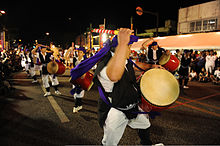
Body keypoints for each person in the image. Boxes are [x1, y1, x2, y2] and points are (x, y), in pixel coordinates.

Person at [94, 28, 164, 145]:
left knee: (145, 124)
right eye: (129, 46)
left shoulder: (125, 61)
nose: (130, 50)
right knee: (109, 142)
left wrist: (151, 67)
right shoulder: (105, 65)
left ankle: (146, 144)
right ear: (118, 49)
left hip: (131, 105)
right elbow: (114, 76)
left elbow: (136, 64)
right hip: (116, 110)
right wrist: (122, 44)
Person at [71, 47, 87, 113]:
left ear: (83, 54)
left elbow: (87, 68)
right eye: (78, 52)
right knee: (75, 93)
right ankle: (79, 105)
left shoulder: (85, 60)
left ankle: (76, 106)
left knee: (79, 92)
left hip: (82, 78)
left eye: (80, 52)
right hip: (75, 77)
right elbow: (72, 66)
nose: (79, 53)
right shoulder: (75, 59)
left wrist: (84, 74)